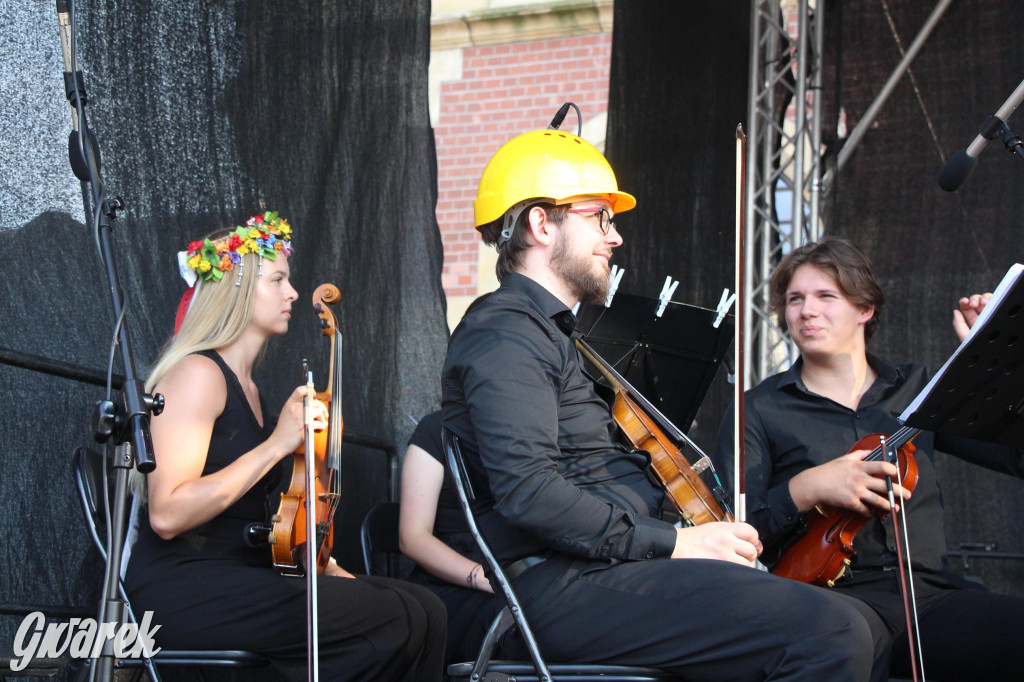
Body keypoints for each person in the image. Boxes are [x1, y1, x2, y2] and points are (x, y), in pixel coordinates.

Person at [441, 125, 892, 681]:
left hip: (608, 569)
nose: (615, 238)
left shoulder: (554, 336)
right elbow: (529, 492)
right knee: (832, 631)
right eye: (599, 218)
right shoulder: (505, 332)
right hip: (562, 584)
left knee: (860, 624)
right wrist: (677, 541)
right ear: (540, 223)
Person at [124, 212, 446, 681]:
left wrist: (321, 563)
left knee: (426, 608)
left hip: (245, 575)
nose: (293, 293)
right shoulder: (197, 374)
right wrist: (277, 444)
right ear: (235, 288)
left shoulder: (249, 389)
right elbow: (168, 515)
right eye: (277, 280)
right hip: (186, 587)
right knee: (394, 617)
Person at [712, 236, 1024, 680]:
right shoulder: (758, 409)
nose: (806, 311)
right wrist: (809, 487)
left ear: (865, 309)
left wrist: (1001, 363)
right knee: (839, 638)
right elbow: (730, 528)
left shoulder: (919, 388)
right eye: (795, 299)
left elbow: (1016, 456)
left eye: (826, 296)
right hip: (831, 600)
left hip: (929, 597)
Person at [399, 409, 504, 665]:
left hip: (512, 569)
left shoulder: (530, 433)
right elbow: (412, 537)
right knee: (509, 621)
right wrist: (483, 577)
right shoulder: (436, 429)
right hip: (454, 578)